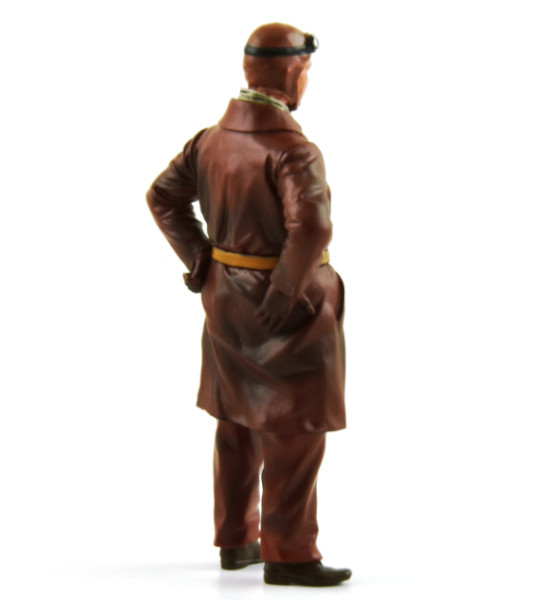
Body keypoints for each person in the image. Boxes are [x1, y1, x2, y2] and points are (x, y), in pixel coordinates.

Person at [147, 23, 350, 587]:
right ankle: (290, 553)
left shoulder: (209, 141)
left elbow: (162, 197)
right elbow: (311, 227)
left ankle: (237, 538)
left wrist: (202, 260)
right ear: (292, 72)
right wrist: (285, 291)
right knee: (294, 428)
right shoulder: (293, 150)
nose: (307, 80)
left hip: (226, 301)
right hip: (288, 310)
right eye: (306, 71)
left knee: (236, 417)